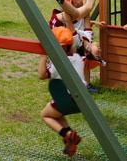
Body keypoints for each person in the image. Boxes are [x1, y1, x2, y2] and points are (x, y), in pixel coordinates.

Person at [38, 26, 84, 158]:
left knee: (46, 115)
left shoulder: (58, 62)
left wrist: (43, 57)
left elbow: (42, 75)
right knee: (56, 113)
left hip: (68, 99)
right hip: (82, 100)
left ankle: (67, 134)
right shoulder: (77, 57)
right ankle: (70, 136)